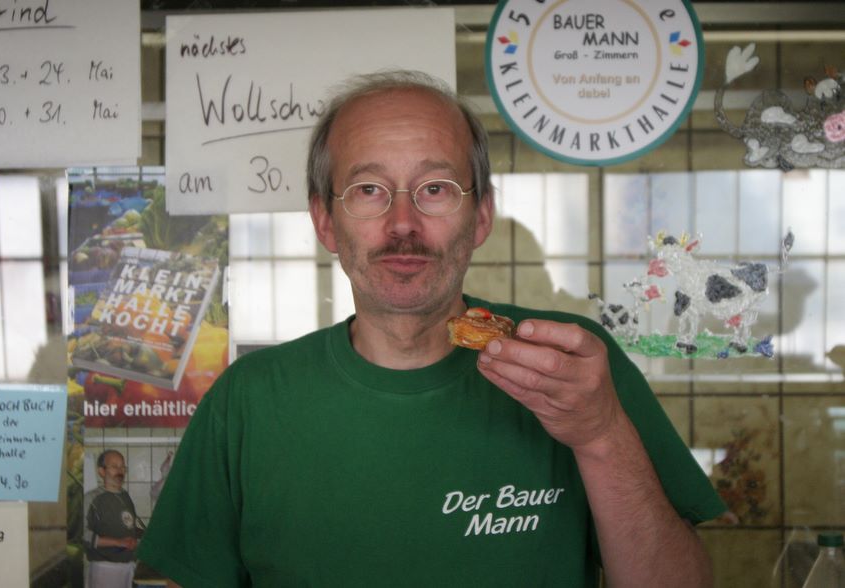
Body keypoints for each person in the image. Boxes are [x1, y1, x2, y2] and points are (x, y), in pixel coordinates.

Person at [138, 70, 726, 587]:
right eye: (369, 190)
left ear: (481, 216)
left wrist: (601, 436)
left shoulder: (570, 365)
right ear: (325, 220)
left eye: (436, 189)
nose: (402, 223)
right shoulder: (248, 399)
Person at [84, 449, 140, 587]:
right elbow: (83, 534)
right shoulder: (91, 499)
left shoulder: (125, 496)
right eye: (114, 466)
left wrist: (139, 538)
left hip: (128, 566)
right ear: (101, 471)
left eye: (122, 467)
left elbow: (128, 527)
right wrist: (118, 542)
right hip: (104, 568)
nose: (120, 471)